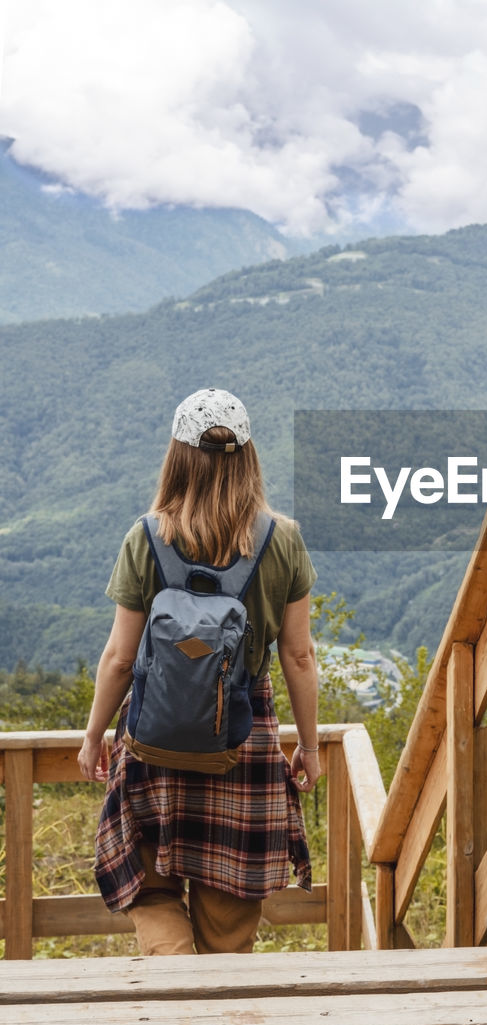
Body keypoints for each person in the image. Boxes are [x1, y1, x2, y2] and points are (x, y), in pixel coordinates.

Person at [78, 387, 321, 955]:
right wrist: (308, 747)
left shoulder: (148, 536)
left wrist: (93, 736)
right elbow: (299, 656)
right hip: (243, 740)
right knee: (228, 925)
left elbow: (119, 657)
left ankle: (173, 986)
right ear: (248, 455)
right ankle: (215, 1022)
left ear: (177, 455)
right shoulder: (281, 539)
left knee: (154, 894)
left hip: (153, 739)